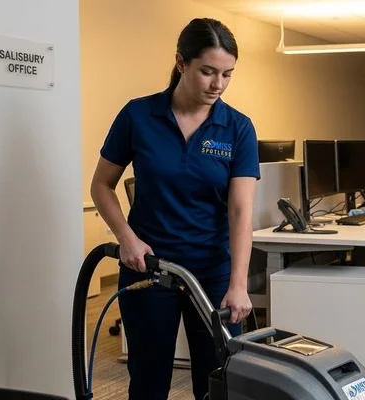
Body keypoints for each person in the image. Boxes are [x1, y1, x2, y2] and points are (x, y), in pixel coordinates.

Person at [90, 18, 260, 400]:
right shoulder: (138, 115)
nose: (218, 84)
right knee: (148, 380)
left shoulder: (238, 128)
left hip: (212, 272)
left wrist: (238, 284)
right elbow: (101, 185)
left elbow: (240, 212)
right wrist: (126, 240)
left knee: (218, 379)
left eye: (228, 74)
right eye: (208, 72)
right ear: (181, 63)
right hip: (150, 269)